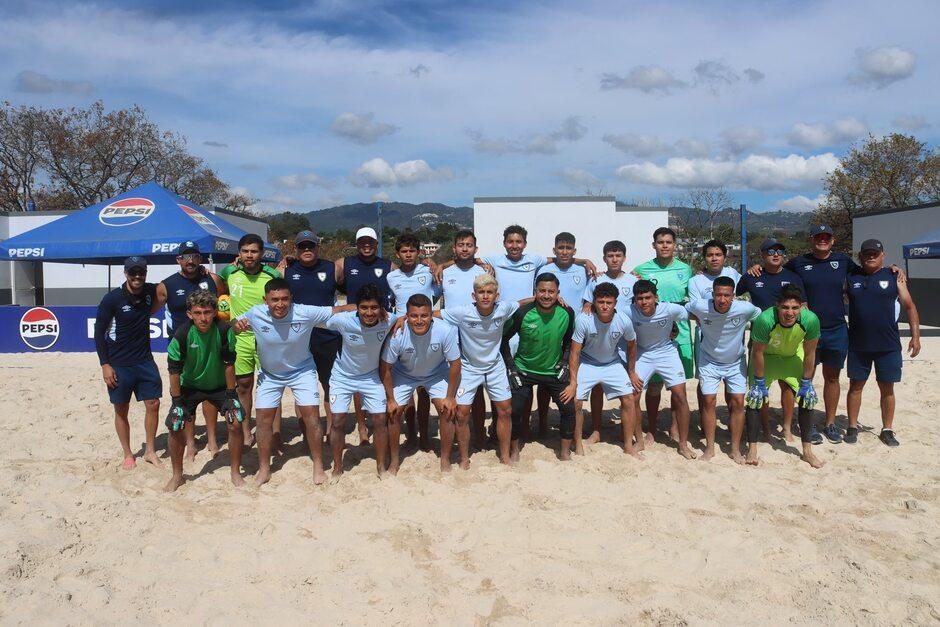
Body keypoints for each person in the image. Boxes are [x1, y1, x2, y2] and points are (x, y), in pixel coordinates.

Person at [747, 224, 904, 444]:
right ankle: (807, 425)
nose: (822, 240)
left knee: (833, 378)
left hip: (837, 329)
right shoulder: (799, 263)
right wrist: (758, 267)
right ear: (811, 239)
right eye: (818, 237)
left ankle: (829, 424)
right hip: (806, 331)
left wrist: (894, 269)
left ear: (833, 241)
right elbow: (777, 269)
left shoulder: (843, 261)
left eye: (826, 237)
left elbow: (870, 268)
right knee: (805, 379)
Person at [233, 279, 351, 486]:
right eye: (275, 300)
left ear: (291, 299)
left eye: (285, 299)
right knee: (263, 421)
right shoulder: (255, 312)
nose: (280, 304)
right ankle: (264, 469)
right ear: (265, 300)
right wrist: (236, 325)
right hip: (269, 374)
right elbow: (235, 324)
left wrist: (376, 309)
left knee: (312, 418)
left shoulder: (303, 312)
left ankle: (318, 466)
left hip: (301, 371)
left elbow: (338, 309)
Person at [437, 274, 522, 467]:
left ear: (496, 295)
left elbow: (520, 302)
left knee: (505, 410)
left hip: (495, 367)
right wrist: (402, 319)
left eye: (489, 292)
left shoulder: (504, 308)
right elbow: (433, 314)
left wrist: (550, 299)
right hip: (469, 367)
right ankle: (464, 457)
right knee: (462, 413)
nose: (485, 296)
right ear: (473, 295)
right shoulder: (462, 312)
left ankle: (505, 456)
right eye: (481, 292)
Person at [163, 290, 244, 492]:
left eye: (207, 312)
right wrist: (176, 402)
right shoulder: (181, 335)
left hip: (218, 385)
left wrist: (231, 395)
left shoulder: (225, 330)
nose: (203, 318)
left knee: (236, 422)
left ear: (215, 311)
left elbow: (229, 364)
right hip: (189, 386)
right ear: (189, 314)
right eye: (198, 313)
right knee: (175, 425)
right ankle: (177, 475)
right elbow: (174, 372)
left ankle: (235, 472)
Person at [155, 240, 228, 460]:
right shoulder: (165, 285)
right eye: (185, 256)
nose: (190, 260)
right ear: (178, 260)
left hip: (211, 343)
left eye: (194, 256)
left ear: (200, 258)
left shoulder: (213, 279)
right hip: (183, 345)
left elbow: (225, 303)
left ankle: (213, 440)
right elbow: (147, 311)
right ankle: (190, 442)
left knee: (210, 391)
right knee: (187, 394)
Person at [845, 239, 920, 446]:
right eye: (867, 253)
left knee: (887, 388)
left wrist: (915, 336)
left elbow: (910, 306)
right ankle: (852, 427)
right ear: (860, 256)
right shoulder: (851, 277)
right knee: (855, 386)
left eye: (875, 253)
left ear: (882, 255)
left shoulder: (894, 276)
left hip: (888, 345)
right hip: (858, 344)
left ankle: (887, 429)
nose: (871, 256)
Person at [95, 256, 163, 470]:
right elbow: (99, 332)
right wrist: (105, 365)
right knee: (121, 409)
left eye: (140, 272)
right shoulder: (112, 299)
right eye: (132, 272)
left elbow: (169, 285)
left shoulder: (150, 292)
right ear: (125, 273)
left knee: (153, 404)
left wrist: (205, 272)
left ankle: (150, 450)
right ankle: (127, 453)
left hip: (144, 361)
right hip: (119, 363)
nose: (137, 276)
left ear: (145, 273)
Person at [745, 284, 824, 468]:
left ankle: (807, 452)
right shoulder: (765, 319)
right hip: (767, 358)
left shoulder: (811, 319)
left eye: (795, 308)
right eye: (785, 307)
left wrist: (807, 382)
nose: (790, 313)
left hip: (791, 358)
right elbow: (757, 352)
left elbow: (810, 352)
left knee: (807, 399)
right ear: (777, 306)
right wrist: (758, 382)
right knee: (755, 400)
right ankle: (752, 449)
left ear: (801, 307)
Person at [501, 273, 578, 461]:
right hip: (524, 369)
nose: (546, 295)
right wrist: (511, 367)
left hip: (553, 370)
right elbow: (503, 340)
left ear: (558, 293)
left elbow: (569, 342)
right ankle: (514, 449)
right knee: (515, 409)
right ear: (535, 292)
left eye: (551, 292)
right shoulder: (522, 313)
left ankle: (565, 452)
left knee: (569, 409)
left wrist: (564, 363)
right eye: (542, 291)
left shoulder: (567, 312)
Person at [380, 295, 461, 472]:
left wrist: (450, 397)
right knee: (393, 412)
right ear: (406, 316)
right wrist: (390, 399)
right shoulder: (398, 333)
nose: (419, 320)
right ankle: (394, 460)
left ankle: (445, 460)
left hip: (435, 373)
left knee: (448, 410)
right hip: (404, 374)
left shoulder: (445, 330)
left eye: (424, 315)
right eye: (414, 316)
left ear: (431, 315)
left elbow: (455, 363)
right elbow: (385, 368)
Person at [325, 284, 397, 479]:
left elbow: (403, 318)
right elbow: (316, 321)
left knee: (380, 420)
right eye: (364, 307)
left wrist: (399, 322)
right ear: (357, 307)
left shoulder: (389, 320)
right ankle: (338, 467)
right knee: (338, 421)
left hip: (371, 377)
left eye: (374, 307)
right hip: (342, 377)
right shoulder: (343, 321)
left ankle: (381, 466)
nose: (369, 312)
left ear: (381, 308)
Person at [685, 277, 761, 461]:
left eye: (726, 295)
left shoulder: (745, 308)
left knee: (738, 402)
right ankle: (709, 448)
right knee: (708, 401)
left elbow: (762, 317)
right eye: (718, 294)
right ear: (712, 295)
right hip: (709, 361)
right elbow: (682, 311)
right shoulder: (701, 306)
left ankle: (735, 449)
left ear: (733, 296)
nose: (722, 299)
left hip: (735, 362)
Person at [736, 239, 805, 441]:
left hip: (788, 338)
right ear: (762, 254)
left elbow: (803, 306)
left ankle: (786, 427)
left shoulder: (793, 277)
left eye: (780, 251)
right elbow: (734, 294)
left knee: (788, 385)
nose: (776, 254)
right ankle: (765, 429)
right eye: (771, 251)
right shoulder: (751, 276)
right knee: (760, 387)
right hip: (761, 337)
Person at [219, 234, 281, 449]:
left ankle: (275, 433)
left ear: (261, 254)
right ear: (239, 253)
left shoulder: (272, 274)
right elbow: (220, 294)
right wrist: (230, 321)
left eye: (253, 251)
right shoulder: (229, 272)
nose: (249, 255)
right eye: (245, 251)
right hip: (241, 340)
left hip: (267, 338)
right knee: (243, 386)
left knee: (272, 385)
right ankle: (246, 433)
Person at [633, 227, 694, 443]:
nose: (665, 245)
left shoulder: (686, 270)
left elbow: (692, 302)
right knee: (654, 387)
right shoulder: (641, 269)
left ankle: (676, 428)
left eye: (669, 242)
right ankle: (651, 428)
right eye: (660, 242)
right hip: (651, 335)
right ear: (654, 245)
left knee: (679, 387)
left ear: (675, 245)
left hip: (680, 334)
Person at [335, 227, 395, 445]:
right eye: (362, 242)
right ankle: (361, 424)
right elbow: (320, 274)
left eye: (370, 241)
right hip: (356, 325)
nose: (366, 245)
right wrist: (289, 263)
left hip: (381, 325)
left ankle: (381, 415)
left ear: (376, 243)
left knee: (382, 371)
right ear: (357, 243)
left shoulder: (387, 265)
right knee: (359, 373)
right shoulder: (344, 263)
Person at [570, 282, 641, 458]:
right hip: (588, 362)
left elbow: (632, 345)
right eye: (600, 302)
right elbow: (575, 352)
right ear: (594, 302)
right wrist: (573, 381)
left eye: (608, 302)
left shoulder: (623, 320)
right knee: (576, 401)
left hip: (612, 363)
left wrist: (631, 372)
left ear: (615, 303)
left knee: (629, 398)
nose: (604, 306)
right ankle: (578, 443)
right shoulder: (583, 319)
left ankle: (628, 445)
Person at [281, 230, 341, 440]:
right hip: (298, 337)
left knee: (329, 384)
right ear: (295, 250)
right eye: (302, 246)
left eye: (311, 246)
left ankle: (332, 429)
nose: (307, 250)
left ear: (318, 248)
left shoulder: (332, 268)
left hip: (328, 337)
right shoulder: (286, 271)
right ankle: (307, 432)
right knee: (302, 388)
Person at [387, 233, 442, 452]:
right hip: (403, 333)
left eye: (412, 250)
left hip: (427, 330)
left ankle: (425, 435)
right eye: (404, 251)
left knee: (424, 390)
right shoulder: (392, 277)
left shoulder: (427, 271)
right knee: (407, 388)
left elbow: (437, 293)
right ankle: (411, 434)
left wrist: (437, 263)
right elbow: (392, 305)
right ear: (398, 254)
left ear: (418, 252)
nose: (408, 254)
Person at [629, 279, 695, 459]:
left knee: (680, 395)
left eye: (648, 297)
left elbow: (695, 315)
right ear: (634, 300)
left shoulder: (670, 309)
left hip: (667, 352)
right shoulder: (630, 311)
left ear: (656, 297)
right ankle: (640, 440)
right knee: (633, 396)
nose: (644, 302)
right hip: (643, 354)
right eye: (640, 298)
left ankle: (683, 444)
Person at [580, 239, 638, 443]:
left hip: (625, 340)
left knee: (630, 390)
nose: (614, 259)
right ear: (604, 258)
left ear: (624, 258)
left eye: (618, 256)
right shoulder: (596, 280)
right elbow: (587, 305)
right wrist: (587, 307)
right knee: (596, 387)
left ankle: (631, 433)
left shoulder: (632, 281)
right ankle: (596, 430)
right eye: (610, 256)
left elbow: (641, 304)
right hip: (602, 340)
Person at [441, 229, 488, 446]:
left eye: (469, 245)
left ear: (475, 249)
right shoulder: (444, 273)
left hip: (475, 339)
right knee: (451, 386)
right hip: (450, 339)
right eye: (461, 245)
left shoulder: (483, 273)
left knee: (476, 388)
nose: (465, 248)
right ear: (454, 248)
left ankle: (478, 433)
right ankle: (455, 432)